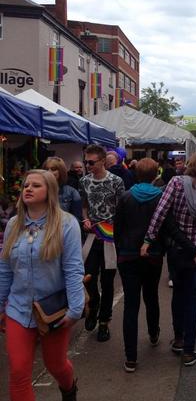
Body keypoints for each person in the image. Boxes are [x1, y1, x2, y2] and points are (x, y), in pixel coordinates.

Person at [0, 170, 85, 401]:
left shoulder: (66, 224)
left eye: (36, 185)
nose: (28, 189)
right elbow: (4, 269)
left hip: (53, 312)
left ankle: (69, 387)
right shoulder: (13, 224)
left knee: (56, 364)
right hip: (18, 309)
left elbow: (73, 269)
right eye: (26, 184)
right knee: (19, 371)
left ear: (49, 191)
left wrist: (75, 309)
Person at [114, 158, 196, 372]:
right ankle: (153, 332)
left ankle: (130, 357)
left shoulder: (125, 197)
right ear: (155, 175)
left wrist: (120, 252)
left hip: (128, 255)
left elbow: (118, 229)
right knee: (151, 296)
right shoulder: (160, 197)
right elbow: (169, 228)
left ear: (135, 173)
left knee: (131, 305)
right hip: (154, 255)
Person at [143, 152, 196, 367]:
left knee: (178, 292)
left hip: (177, 248)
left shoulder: (176, 182)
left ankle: (178, 338)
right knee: (192, 297)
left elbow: (160, 212)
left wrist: (148, 239)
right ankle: (189, 350)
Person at [80, 145, 125, 342]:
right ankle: (93, 306)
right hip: (91, 237)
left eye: (91, 162)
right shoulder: (84, 181)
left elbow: (122, 208)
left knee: (107, 282)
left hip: (109, 238)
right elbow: (84, 205)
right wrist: (85, 219)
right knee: (88, 277)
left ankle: (104, 322)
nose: (88, 165)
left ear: (102, 161)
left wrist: (115, 229)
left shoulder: (116, 181)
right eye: (86, 162)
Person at [43, 156, 82, 222]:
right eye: (46, 169)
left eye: (53, 169)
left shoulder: (72, 193)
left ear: (61, 171)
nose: (49, 172)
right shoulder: (38, 191)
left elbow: (76, 219)